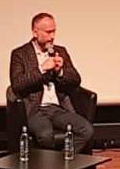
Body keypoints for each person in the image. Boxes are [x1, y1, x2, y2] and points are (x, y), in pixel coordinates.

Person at [8, 12, 94, 152]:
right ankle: (53, 164)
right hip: (35, 109)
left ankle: (63, 161)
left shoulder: (60, 51)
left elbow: (76, 80)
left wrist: (60, 71)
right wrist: (42, 69)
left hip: (58, 108)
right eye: (48, 32)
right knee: (45, 135)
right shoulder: (20, 54)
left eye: (54, 31)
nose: (52, 36)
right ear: (35, 32)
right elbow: (17, 84)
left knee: (86, 130)